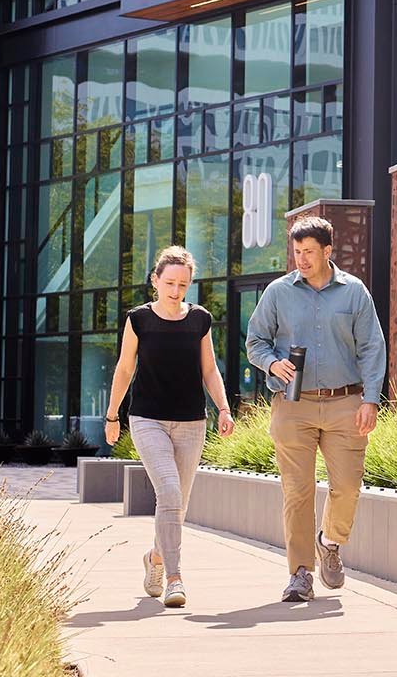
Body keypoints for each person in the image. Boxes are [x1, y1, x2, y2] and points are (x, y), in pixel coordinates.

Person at [245, 216, 386, 602]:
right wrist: (272, 363)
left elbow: (372, 347)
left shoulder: (354, 292)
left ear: (327, 251)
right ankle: (300, 573)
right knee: (297, 491)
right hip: (294, 406)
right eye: (297, 252)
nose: (302, 259)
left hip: (345, 402)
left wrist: (371, 398)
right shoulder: (278, 293)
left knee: (347, 487)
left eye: (309, 252)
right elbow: (255, 340)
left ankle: (332, 542)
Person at [104, 245, 234, 609]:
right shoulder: (139, 320)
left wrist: (223, 407)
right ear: (155, 281)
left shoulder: (200, 320)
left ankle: (156, 559)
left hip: (192, 421)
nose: (176, 291)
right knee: (170, 493)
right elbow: (125, 369)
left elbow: (209, 369)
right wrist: (113, 414)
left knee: (179, 503)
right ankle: (175, 578)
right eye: (170, 283)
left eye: (183, 284)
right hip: (148, 419)